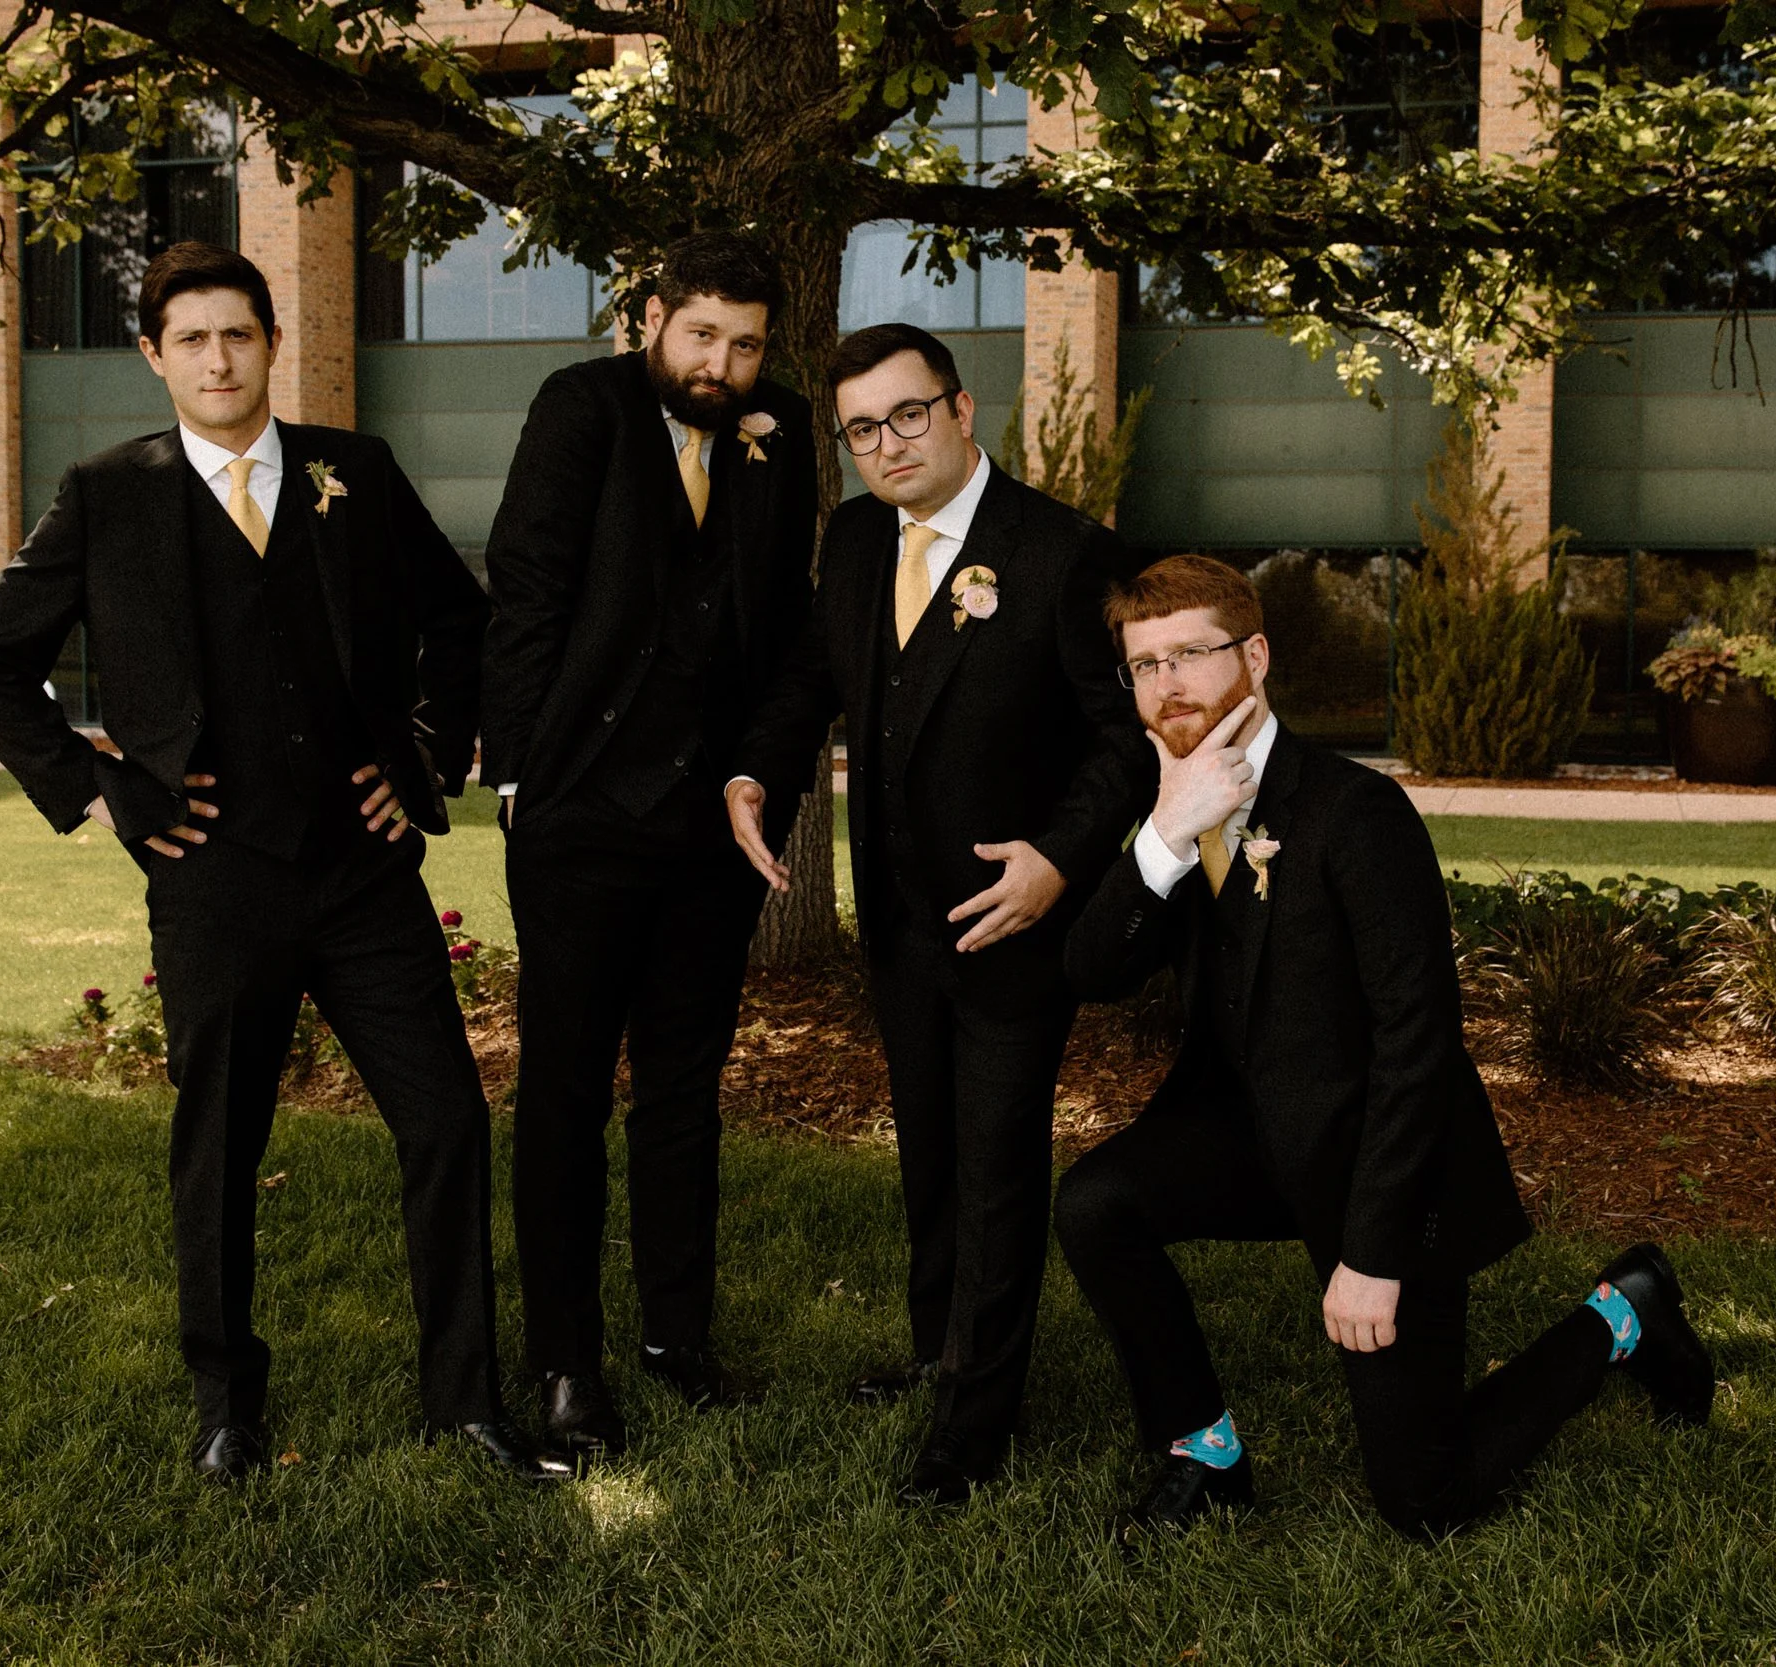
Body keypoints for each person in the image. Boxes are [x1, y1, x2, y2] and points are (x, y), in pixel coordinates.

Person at [0, 241, 567, 1487]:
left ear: (273, 342)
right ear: (154, 356)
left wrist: (422, 759)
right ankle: (226, 1406)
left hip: (362, 872)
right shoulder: (105, 492)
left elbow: (461, 621)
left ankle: (465, 1400)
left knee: (446, 1121)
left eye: (238, 333)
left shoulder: (356, 471)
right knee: (219, 1146)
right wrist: (103, 789)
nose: (218, 358)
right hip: (214, 878)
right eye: (191, 338)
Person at [1052, 553, 1717, 1538]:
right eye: (1145, 664)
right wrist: (1163, 832)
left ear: (1256, 655)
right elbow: (1089, 969)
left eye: (1191, 653)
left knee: (1425, 1500)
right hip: (1258, 1137)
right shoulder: (1177, 805)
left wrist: (1371, 1256)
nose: (1168, 683)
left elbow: (1419, 1043)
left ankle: (1625, 1311)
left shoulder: (1355, 812)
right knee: (1095, 1201)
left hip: (1384, 1166)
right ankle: (1206, 1453)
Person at [728, 322, 1153, 1505]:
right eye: (861, 428)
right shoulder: (858, 537)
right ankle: (938, 1351)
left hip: (1013, 919)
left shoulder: (1065, 552)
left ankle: (975, 1423)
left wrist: (1059, 861)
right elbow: (814, 675)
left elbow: (1126, 740)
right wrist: (758, 770)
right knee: (929, 1147)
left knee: (996, 1162)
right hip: (899, 917)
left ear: (963, 411)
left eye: (907, 414)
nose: (887, 444)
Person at [480, 231, 820, 1460]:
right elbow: (524, 587)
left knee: (684, 1089)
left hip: (712, 825)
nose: (721, 364)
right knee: (565, 1093)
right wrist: (520, 776)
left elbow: (787, 631)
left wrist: (758, 772)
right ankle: (566, 1360)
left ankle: (678, 1336)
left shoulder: (785, 431)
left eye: (746, 344)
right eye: (702, 335)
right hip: (578, 811)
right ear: (653, 320)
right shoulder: (582, 407)